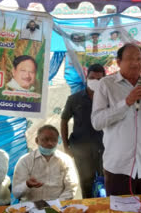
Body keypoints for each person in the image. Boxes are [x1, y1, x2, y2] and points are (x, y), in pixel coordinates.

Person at [91, 43, 141, 195]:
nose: (135, 63)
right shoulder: (106, 85)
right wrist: (126, 103)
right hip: (118, 167)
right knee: (121, 210)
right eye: (129, 58)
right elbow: (97, 121)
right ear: (118, 62)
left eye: (139, 59)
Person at [61, 64, 105, 198]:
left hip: (104, 147)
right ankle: (87, 207)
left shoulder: (108, 99)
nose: (95, 82)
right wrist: (65, 145)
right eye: (92, 78)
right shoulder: (74, 99)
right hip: (81, 148)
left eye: (99, 79)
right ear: (86, 78)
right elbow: (64, 120)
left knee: (106, 180)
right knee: (86, 182)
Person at [12, 125, 78, 202]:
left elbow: (71, 188)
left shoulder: (66, 160)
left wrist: (56, 205)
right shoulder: (25, 161)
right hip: (31, 207)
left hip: (58, 206)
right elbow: (16, 193)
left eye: (54, 140)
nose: (50, 143)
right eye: (45, 139)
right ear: (37, 140)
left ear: (58, 141)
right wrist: (27, 185)